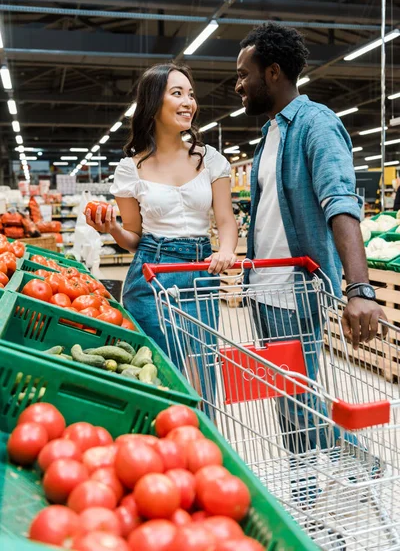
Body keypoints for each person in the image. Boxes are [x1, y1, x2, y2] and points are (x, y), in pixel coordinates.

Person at [235, 22, 388, 456]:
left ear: (273, 73)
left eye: (244, 74)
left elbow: (340, 204)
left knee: (297, 404)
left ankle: (353, 464)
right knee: (288, 403)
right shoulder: (270, 134)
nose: (237, 85)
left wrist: (359, 288)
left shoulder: (316, 124)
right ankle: (310, 486)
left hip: (293, 292)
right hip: (263, 291)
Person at [86, 62, 237, 398]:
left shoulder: (209, 159)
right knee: (157, 377)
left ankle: (203, 445)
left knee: (202, 379)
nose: (189, 102)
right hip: (151, 276)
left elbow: (226, 220)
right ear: (154, 103)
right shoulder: (130, 169)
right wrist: (112, 229)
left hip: (201, 275)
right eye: (177, 93)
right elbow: (133, 239)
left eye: (191, 94)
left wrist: (226, 249)